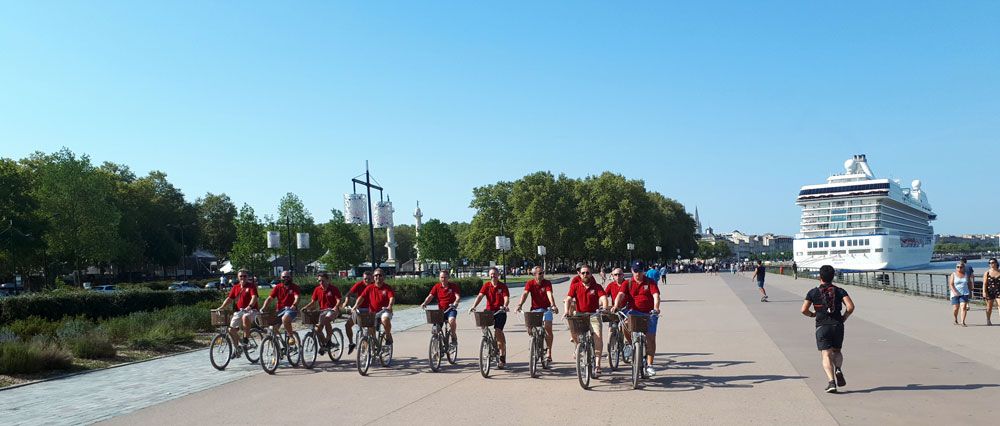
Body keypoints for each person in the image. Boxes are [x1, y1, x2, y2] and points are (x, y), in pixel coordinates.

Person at [801, 265, 854, 393]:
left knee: (826, 354)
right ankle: (838, 369)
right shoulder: (840, 291)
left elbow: (804, 310)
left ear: (820, 277)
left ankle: (831, 382)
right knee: (837, 351)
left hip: (822, 326)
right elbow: (850, 307)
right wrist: (844, 318)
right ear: (833, 277)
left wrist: (813, 314)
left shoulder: (813, 292)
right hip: (837, 325)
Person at [612, 260, 661, 377]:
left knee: (651, 338)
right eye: (635, 271)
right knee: (624, 323)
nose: (637, 274)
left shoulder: (650, 282)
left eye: (640, 271)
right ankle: (629, 344)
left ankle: (650, 365)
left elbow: (656, 295)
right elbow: (620, 295)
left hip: (649, 313)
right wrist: (616, 305)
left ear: (644, 271)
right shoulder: (628, 283)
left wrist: (656, 307)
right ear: (632, 270)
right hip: (633, 312)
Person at [564, 265, 608, 374]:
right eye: (583, 273)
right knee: (574, 332)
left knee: (597, 335)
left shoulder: (597, 286)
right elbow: (569, 299)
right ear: (579, 274)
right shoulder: (575, 286)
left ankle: (597, 364)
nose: (585, 275)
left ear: (591, 274)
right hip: (579, 314)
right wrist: (566, 311)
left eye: (587, 273)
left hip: (593, 314)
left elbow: (603, 297)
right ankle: (578, 347)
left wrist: (605, 308)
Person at [515, 265, 558, 366]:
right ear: (534, 274)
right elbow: (525, 294)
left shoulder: (547, 283)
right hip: (534, 310)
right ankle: (535, 342)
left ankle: (548, 352)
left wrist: (553, 305)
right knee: (529, 328)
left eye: (543, 273)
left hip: (546, 309)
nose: (542, 275)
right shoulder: (530, 283)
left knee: (548, 328)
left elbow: (549, 294)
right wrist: (519, 305)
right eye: (540, 273)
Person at [469, 267, 510, 368]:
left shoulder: (502, 286)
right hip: (489, 310)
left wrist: (505, 306)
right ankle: (486, 339)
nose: (493, 276)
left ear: (498, 274)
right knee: (482, 322)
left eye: (495, 274)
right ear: (489, 275)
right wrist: (474, 306)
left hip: (500, 311)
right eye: (491, 274)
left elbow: (506, 298)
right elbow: (480, 296)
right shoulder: (486, 285)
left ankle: (501, 355)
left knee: (498, 331)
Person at [216, 269, 259, 356]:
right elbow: (229, 299)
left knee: (245, 317)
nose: (242, 278)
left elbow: (254, 297)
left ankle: (245, 338)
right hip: (239, 311)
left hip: (251, 310)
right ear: (238, 278)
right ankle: (237, 349)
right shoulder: (235, 287)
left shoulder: (251, 286)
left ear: (248, 277)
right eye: (241, 276)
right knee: (231, 329)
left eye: (244, 276)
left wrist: (249, 306)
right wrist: (222, 307)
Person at [302, 272, 343, 354]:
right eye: (319, 281)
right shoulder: (317, 289)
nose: (321, 283)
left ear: (327, 280)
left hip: (332, 310)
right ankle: (325, 344)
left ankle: (329, 341)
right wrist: (305, 307)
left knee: (327, 319)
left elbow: (338, 299)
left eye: (323, 281)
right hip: (322, 311)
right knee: (317, 330)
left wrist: (336, 306)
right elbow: (313, 302)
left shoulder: (333, 288)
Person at [353, 268, 395, 344]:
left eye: (380, 275)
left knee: (385, 320)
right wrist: (355, 306)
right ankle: (375, 343)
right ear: (373, 277)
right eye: (376, 275)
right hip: (373, 313)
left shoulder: (387, 288)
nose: (377, 277)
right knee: (370, 330)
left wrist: (390, 305)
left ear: (384, 277)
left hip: (384, 311)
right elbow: (361, 298)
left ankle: (388, 336)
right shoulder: (369, 287)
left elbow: (391, 298)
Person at [420, 270, 460, 347]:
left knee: (452, 320)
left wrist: (456, 302)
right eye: (441, 277)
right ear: (439, 278)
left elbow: (457, 296)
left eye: (445, 277)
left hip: (450, 309)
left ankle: (453, 336)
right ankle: (436, 349)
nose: (443, 279)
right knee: (435, 329)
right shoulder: (437, 287)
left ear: (448, 277)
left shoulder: (453, 286)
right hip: (440, 311)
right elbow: (430, 296)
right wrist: (424, 303)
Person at [259, 270, 300, 339]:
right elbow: (270, 299)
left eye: (288, 277)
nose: (286, 279)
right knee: (271, 332)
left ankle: (291, 336)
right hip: (279, 311)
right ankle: (276, 348)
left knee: (285, 319)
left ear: (291, 278)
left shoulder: (294, 287)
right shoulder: (278, 287)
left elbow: (297, 297)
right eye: (284, 277)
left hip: (291, 310)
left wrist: (294, 305)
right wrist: (263, 308)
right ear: (281, 278)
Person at [343, 271, 374, 353]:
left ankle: (372, 344)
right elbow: (348, 294)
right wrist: (346, 301)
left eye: (369, 279)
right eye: (365, 279)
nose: (366, 280)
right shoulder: (359, 285)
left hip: (370, 310)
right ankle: (351, 343)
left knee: (370, 328)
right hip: (358, 309)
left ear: (372, 279)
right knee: (347, 325)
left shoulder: (374, 286)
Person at [949, 262, 972, 327]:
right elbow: (951, 284)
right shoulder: (953, 274)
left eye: (961, 267)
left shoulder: (966, 274)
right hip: (955, 293)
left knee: (964, 307)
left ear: (963, 268)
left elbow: (969, 283)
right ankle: (955, 319)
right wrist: (954, 292)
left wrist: (970, 291)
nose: (959, 268)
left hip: (964, 293)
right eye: (958, 267)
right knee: (956, 308)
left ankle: (963, 322)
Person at [983, 258, 1000, 326]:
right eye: (990, 263)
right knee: (989, 307)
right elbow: (984, 283)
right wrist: (984, 292)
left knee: (999, 305)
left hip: (999, 291)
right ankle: (988, 319)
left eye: (992, 262)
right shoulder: (987, 273)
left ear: (996, 263)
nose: (991, 264)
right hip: (990, 291)